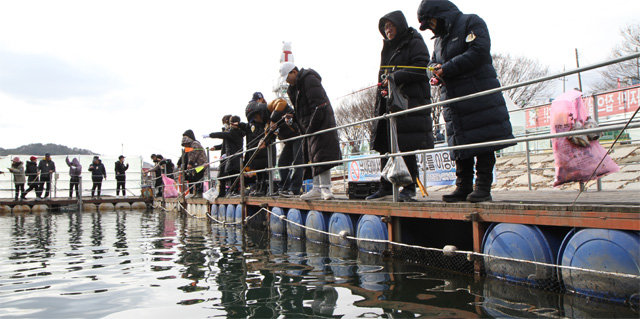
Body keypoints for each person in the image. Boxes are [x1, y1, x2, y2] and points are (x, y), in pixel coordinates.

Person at [417, 0, 514, 202]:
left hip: (478, 94)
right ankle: (463, 186)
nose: (431, 28)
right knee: (460, 144)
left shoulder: (472, 22)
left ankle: (483, 187)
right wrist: (433, 72)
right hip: (453, 100)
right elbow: (431, 63)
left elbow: (479, 50)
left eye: (431, 23)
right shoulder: (439, 40)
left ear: (439, 14)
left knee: (484, 142)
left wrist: (447, 68)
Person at [366, 10, 434, 202]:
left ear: (399, 24)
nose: (388, 30)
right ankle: (386, 185)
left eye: (390, 26)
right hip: (389, 103)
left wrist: (395, 77)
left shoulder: (414, 41)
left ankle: (410, 186)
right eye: (385, 27)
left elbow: (422, 68)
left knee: (406, 144)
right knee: (385, 144)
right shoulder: (387, 49)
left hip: (409, 102)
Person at [280, 62, 342, 200]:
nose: (287, 81)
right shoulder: (294, 88)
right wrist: (295, 118)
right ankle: (317, 188)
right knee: (313, 156)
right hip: (309, 126)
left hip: (321, 123)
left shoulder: (309, 79)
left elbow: (319, 105)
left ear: (294, 72)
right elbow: (303, 110)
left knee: (321, 155)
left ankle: (325, 188)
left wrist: (310, 127)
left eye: (287, 77)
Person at [268, 98, 304, 197]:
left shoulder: (284, 109)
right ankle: (284, 186)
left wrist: (274, 120)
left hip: (298, 136)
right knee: (282, 163)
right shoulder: (271, 118)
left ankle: (295, 189)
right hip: (289, 141)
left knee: (298, 162)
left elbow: (281, 102)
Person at [206, 115, 245, 197]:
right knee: (230, 174)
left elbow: (222, 135)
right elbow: (224, 143)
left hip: (231, 156)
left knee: (231, 174)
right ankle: (230, 191)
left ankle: (232, 191)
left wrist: (210, 135)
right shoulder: (234, 133)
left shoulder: (232, 132)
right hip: (229, 155)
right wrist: (216, 147)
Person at [243, 92, 272, 196]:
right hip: (260, 141)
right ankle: (262, 188)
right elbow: (265, 108)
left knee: (261, 169)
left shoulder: (250, 113)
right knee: (263, 168)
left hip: (256, 142)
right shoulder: (255, 106)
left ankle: (262, 187)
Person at [181, 129, 208, 197]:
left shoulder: (195, 144)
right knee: (192, 177)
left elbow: (194, 154)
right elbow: (186, 155)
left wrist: (190, 163)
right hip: (195, 166)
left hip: (200, 165)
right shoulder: (190, 146)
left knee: (198, 177)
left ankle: (199, 192)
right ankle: (192, 192)